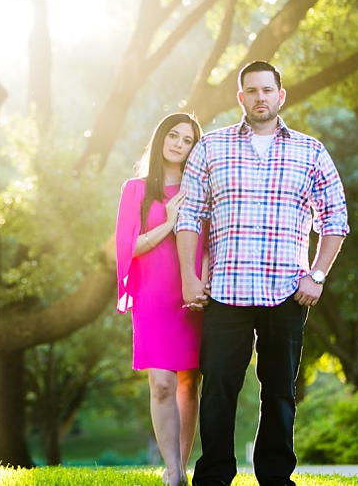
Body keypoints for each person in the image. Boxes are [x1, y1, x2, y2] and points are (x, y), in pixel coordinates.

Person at [175, 61, 349, 486]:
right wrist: (189, 277)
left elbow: (336, 220)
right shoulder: (210, 148)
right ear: (241, 98)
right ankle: (214, 476)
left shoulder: (310, 152)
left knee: (280, 392)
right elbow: (189, 218)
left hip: (287, 293)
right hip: (225, 292)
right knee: (217, 389)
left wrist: (318, 275)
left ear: (280, 96)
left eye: (267, 90)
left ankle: (275, 477)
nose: (260, 98)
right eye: (251, 91)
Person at [115, 112, 208, 486]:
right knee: (162, 383)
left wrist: (202, 281)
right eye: (174, 136)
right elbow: (127, 249)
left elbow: (210, 240)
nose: (179, 145)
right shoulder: (135, 189)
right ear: (160, 138)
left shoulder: (201, 189)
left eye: (187, 140)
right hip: (153, 295)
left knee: (189, 382)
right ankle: (173, 472)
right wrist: (168, 223)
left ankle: (181, 469)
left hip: (192, 290)